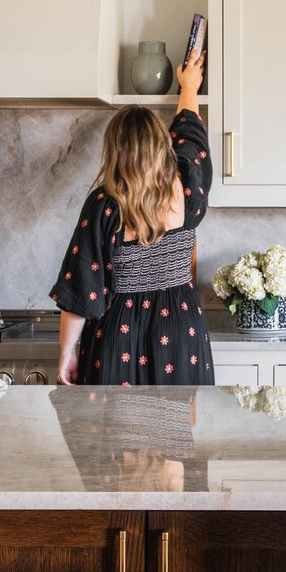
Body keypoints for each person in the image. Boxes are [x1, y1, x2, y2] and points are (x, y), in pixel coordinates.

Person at [50, 52, 213, 385]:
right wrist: (189, 86)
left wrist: (67, 352)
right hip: (182, 331)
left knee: (116, 434)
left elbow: (83, 290)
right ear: (162, 145)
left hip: (119, 334)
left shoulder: (106, 204)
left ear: (115, 151)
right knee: (174, 431)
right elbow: (190, 132)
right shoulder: (188, 186)